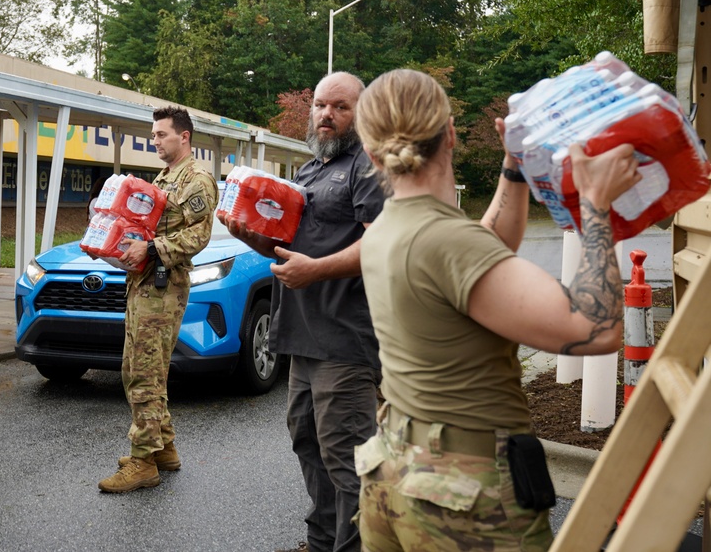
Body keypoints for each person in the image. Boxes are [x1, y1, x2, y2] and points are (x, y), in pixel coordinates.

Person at [352, 69, 641, 551]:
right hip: (464, 497)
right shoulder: (447, 241)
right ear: (450, 134)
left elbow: (481, 252)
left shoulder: (387, 230)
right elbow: (596, 329)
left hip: (394, 472)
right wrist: (595, 205)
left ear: (369, 152)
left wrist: (514, 167)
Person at [222, 71, 385, 552]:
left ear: (361, 113)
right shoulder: (310, 171)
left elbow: (381, 243)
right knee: (308, 444)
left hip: (345, 338)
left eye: (339, 106)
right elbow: (288, 246)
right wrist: (248, 236)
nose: (326, 115)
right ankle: (321, 542)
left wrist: (316, 271)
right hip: (301, 335)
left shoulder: (368, 166)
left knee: (347, 456)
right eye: (319, 105)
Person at [98, 107, 218, 494]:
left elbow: (199, 237)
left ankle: (143, 460)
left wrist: (150, 249)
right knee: (141, 363)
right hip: (144, 283)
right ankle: (163, 447)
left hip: (164, 286)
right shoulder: (164, 178)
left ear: (184, 137)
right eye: (153, 135)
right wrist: (111, 244)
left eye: (162, 134)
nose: (155, 141)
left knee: (143, 372)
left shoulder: (197, 180)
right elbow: (144, 226)